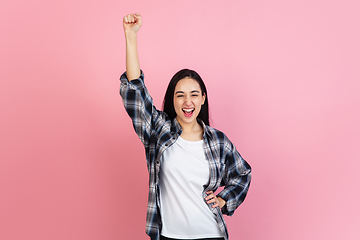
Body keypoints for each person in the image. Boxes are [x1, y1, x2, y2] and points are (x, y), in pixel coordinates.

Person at [120, 13, 252, 240]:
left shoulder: (218, 141)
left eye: (193, 95)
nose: (187, 102)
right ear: (172, 100)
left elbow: (242, 173)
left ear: (203, 98)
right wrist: (130, 37)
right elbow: (136, 94)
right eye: (180, 95)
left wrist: (224, 200)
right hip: (169, 235)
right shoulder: (158, 132)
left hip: (210, 234)